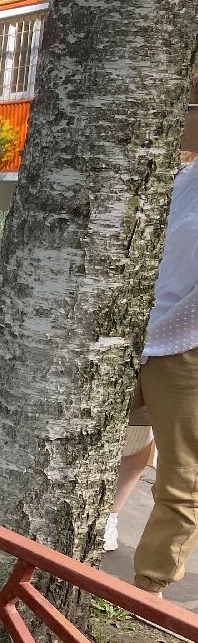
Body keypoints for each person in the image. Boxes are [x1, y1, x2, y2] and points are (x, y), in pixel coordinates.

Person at [131, 137, 198, 596]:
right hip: (137, 332)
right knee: (85, 438)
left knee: (182, 475)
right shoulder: (183, 176)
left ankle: (147, 590)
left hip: (188, 344)